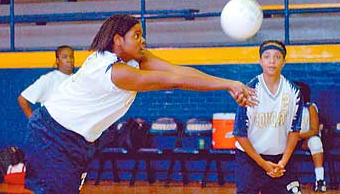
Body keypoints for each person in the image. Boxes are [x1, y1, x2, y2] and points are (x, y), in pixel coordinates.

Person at [24, 14, 257, 193]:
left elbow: (179, 71)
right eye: (136, 35)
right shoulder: (114, 72)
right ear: (117, 40)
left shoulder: (135, 58)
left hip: (78, 141)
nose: (142, 40)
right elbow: (174, 81)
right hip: (51, 136)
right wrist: (228, 85)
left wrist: (229, 83)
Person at [233, 40, 303, 194]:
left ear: (284, 62)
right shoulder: (249, 90)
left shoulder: (294, 91)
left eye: (277, 57)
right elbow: (239, 133)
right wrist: (263, 164)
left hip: (281, 160)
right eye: (267, 56)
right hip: (251, 159)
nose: (272, 61)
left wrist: (282, 163)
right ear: (260, 61)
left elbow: (294, 130)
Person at [18, 45, 75, 118]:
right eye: (64, 57)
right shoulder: (49, 79)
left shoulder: (78, 79)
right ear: (57, 60)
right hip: (53, 127)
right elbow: (22, 99)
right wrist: (35, 123)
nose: (69, 60)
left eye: (71, 57)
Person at [294, 81, 326, 192]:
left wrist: (299, 136)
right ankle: (288, 182)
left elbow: (314, 130)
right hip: (290, 141)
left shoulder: (310, 107)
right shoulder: (287, 107)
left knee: (316, 141)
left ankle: (320, 180)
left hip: (304, 140)